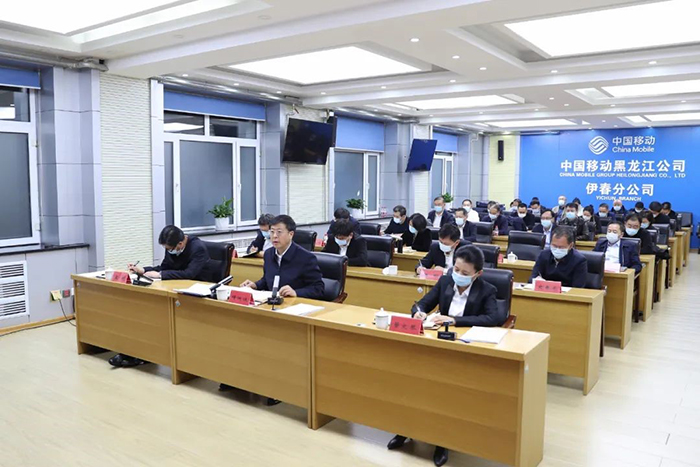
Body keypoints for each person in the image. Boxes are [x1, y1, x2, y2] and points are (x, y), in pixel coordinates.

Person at [388, 245, 501, 467]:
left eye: (465, 273)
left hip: (465, 350)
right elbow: (422, 303)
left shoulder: (487, 290)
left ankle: (443, 441)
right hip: (436, 342)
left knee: (445, 392)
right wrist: (419, 312)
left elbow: (492, 318)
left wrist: (455, 320)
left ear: (478, 274)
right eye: (456, 269)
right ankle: (405, 429)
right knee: (413, 383)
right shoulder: (445, 281)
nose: (458, 275)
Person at [115, 225, 213, 368]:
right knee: (147, 311)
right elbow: (165, 267)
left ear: (180, 244)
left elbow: (189, 274)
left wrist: (160, 275)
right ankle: (139, 351)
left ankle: (147, 353)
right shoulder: (172, 247)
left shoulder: (198, 248)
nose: (168, 251)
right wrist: (143, 271)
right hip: (176, 289)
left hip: (197, 294)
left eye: (169, 249)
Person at [241, 215, 325, 299]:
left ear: (291, 234)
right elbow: (267, 280)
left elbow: (318, 288)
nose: (274, 236)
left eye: (279, 232)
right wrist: (255, 285)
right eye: (272, 232)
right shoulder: (268, 254)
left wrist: (296, 292)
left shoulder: (306, 258)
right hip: (273, 303)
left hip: (295, 303)